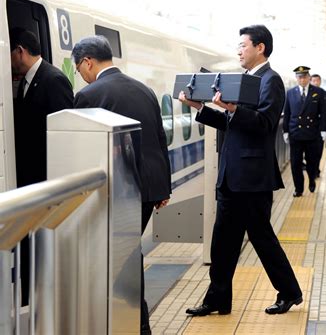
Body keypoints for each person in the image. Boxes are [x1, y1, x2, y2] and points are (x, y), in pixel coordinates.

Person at [179, 24, 302, 316]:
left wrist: (233, 109)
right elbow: (230, 124)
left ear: (260, 47)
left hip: (253, 178)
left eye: (243, 45)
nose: (238, 51)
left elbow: (265, 124)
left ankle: (289, 292)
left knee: (262, 239)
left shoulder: (270, 80)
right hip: (231, 176)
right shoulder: (244, 79)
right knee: (223, 242)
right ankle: (217, 299)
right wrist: (200, 107)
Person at [71, 35, 171, 335]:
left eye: (79, 68)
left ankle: (133, 325)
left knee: (120, 258)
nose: (81, 75)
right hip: (148, 188)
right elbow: (160, 140)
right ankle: (135, 325)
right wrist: (163, 187)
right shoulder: (145, 89)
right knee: (127, 253)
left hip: (118, 190)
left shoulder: (89, 95)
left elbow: (85, 150)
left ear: (88, 61)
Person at [10, 27, 74, 306]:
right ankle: (29, 301)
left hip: (44, 183)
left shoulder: (53, 80)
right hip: (29, 182)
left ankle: (40, 303)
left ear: (20, 51)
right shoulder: (26, 81)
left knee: (40, 248)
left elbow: (64, 134)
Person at [284, 66, 326, 197]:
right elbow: (287, 113)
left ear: (309, 77)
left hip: (312, 133)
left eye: (304, 76)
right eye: (299, 77)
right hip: (295, 133)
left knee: (312, 161)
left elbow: (323, 113)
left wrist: (323, 130)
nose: (302, 79)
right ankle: (299, 188)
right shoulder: (290, 93)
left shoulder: (318, 92)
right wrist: (285, 130)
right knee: (295, 163)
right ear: (296, 78)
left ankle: (311, 179)